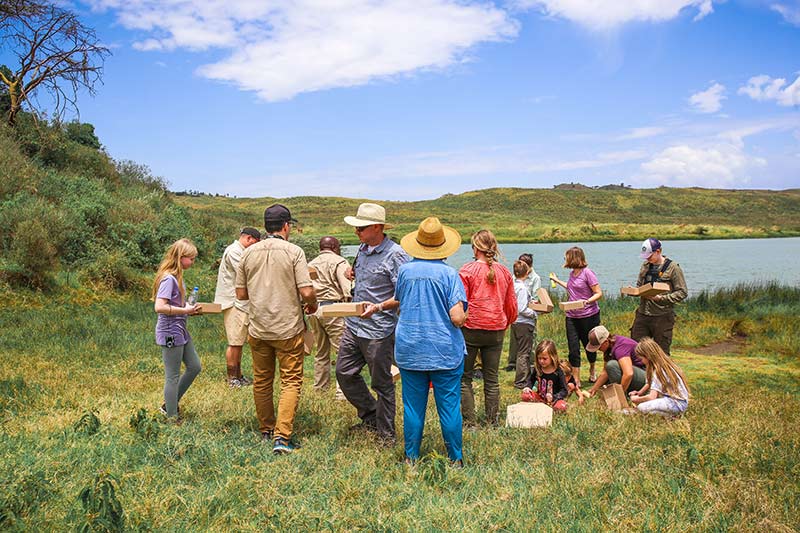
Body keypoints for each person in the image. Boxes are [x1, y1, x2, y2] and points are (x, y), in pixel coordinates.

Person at [235, 204, 318, 455]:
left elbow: (240, 293)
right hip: (287, 328)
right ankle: (282, 438)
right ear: (285, 226)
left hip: (258, 327)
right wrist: (312, 303)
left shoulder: (247, 253)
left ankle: (266, 429)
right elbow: (306, 291)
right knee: (290, 381)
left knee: (262, 380)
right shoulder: (294, 251)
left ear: (265, 226)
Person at [394, 217, 467, 466]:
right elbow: (457, 317)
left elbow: (400, 303)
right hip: (444, 350)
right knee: (449, 406)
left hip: (410, 347)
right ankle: (455, 459)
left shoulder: (404, 271)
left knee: (413, 407)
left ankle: (411, 457)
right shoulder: (449, 274)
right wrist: (466, 315)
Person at [336, 203, 410, 446]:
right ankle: (371, 417)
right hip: (355, 325)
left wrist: (378, 307)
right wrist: (353, 272)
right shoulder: (363, 248)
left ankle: (386, 436)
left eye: (361, 228)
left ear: (377, 227)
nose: (357, 232)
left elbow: (404, 295)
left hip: (378, 330)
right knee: (344, 373)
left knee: (382, 383)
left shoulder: (396, 255)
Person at [459, 229, 518, 426]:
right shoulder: (504, 272)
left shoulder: (466, 271)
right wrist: (506, 322)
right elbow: (511, 305)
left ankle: (469, 422)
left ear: (475, 248)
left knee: (465, 379)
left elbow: (461, 303)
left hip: (471, 329)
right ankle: (492, 421)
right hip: (496, 330)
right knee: (492, 379)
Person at [152, 238, 203, 422]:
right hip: (170, 332)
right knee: (172, 375)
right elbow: (159, 306)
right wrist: (185, 310)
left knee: (195, 366)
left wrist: (189, 310)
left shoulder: (177, 278)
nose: (193, 262)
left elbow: (176, 305)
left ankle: (169, 404)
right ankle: (172, 417)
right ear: (181, 257)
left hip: (181, 329)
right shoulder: (168, 279)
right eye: (191, 258)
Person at [213, 227, 261, 387]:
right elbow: (246, 272)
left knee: (239, 342)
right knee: (234, 342)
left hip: (241, 303)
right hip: (233, 302)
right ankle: (232, 377)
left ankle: (239, 375)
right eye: (255, 243)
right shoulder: (234, 251)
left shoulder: (240, 251)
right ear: (248, 238)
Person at [550, 246, 602, 387]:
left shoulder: (588, 273)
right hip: (571, 316)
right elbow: (570, 287)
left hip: (589, 315)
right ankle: (576, 379)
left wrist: (587, 301)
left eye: (566, 257)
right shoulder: (572, 274)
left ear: (574, 258)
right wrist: (556, 280)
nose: (565, 259)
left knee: (589, 345)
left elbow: (598, 293)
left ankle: (592, 368)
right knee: (573, 347)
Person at [307, 236, 352, 398]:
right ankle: (342, 392)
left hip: (314, 308)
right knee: (342, 351)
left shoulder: (310, 264)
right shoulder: (339, 262)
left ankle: (320, 388)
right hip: (334, 308)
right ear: (334, 246)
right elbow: (347, 288)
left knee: (321, 351)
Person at [630, 238, 688, 355]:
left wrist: (661, 298)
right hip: (643, 314)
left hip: (662, 316)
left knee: (662, 353)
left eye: (650, 256)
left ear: (658, 251)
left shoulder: (673, 268)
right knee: (636, 349)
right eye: (646, 256)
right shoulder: (645, 266)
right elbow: (639, 285)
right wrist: (635, 291)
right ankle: (641, 373)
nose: (647, 259)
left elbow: (682, 292)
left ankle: (662, 373)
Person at [629, 338, 690, 417]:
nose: (641, 361)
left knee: (642, 407)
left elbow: (651, 397)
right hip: (678, 402)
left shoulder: (659, 372)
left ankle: (673, 415)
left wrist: (636, 399)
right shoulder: (662, 366)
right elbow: (650, 383)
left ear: (648, 356)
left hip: (676, 403)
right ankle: (671, 415)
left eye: (642, 359)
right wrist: (639, 393)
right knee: (647, 408)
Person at [585, 325, 646, 396]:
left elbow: (628, 373)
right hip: (638, 374)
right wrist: (594, 389)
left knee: (612, 365)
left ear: (606, 342)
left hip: (647, 377)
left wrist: (619, 395)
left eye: (599, 347)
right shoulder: (610, 347)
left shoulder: (620, 348)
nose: (598, 350)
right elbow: (605, 372)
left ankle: (625, 393)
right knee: (610, 369)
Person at [505, 253, 541, 372]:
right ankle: (514, 364)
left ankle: (530, 362)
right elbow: (521, 307)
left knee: (530, 341)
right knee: (517, 342)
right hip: (521, 316)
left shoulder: (535, 278)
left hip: (525, 314)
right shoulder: (518, 283)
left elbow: (535, 296)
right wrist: (533, 313)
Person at [521, 339, 568, 413]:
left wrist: (554, 397)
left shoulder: (558, 372)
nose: (541, 361)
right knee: (525, 395)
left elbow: (564, 391)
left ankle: (553, 409)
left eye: (544, 359)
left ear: (552, 357)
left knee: (561, 407)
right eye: (539, 358)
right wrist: (528, 388)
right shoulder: (538, 369)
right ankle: (537, 407)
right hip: (540, 398)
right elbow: (531, 381)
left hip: (554, 400)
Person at [510, 260, 536, 389]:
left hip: (515, 322)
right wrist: (534, 313)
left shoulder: (513, 286)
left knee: (521, 351)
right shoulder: (522, 288)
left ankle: (524, 378)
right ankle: (521, 381)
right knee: (524, 352)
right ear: (526, 273)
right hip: (524, 323)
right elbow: (522, 309)